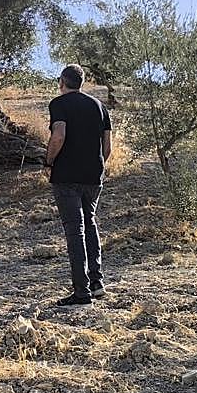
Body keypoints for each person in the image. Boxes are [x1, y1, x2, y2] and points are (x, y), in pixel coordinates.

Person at [43, 63, 112, 306]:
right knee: (90, 224)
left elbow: (58, 135)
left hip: (66, 177)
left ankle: (81, 292)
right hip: (94, 176)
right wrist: (96, 166)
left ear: (63, 81)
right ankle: (96, 282)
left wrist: (49, 161)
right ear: (81, 82)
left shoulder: (58, 104)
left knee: (75, 230)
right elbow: (107, 147)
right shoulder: (100, 106)